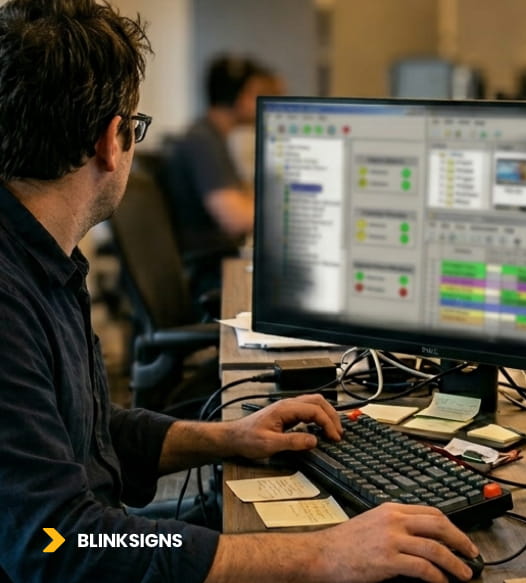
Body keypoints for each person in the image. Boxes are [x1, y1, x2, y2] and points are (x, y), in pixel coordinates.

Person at [0, 2, 477, 583]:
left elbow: (85, 435)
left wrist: (231, 438)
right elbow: (58, 541)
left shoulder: (41, 260)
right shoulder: (10, 299)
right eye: (135, 126)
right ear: (110, 141)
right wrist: (324, 555)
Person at [161, 54, 273, 296]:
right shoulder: (202, 141)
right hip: (209, 275)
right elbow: (234, 218)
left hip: (216, 264)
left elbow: (243, 199)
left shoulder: (211, 137)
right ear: (240, 97)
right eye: (256, 93)